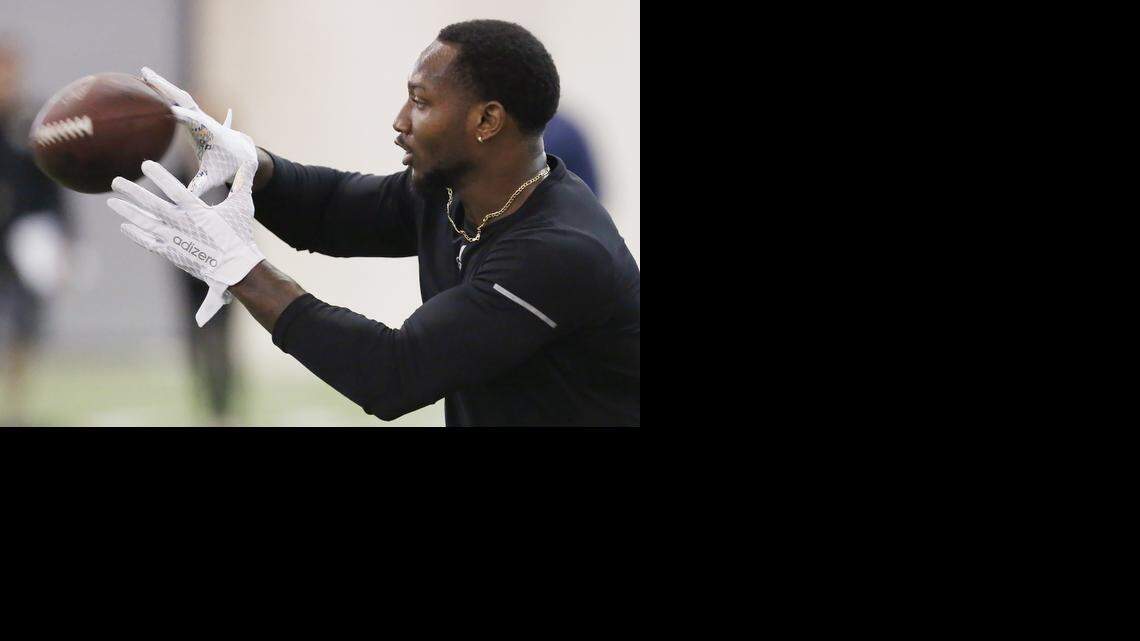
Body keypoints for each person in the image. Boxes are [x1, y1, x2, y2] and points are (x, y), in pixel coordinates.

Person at [105, 20, 640, 427]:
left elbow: (394, 374)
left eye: (420, 101)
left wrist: (241, 269)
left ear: (486, 120)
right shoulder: (453, 194)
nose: (400, 121)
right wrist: (249, 163)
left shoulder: (557, 250)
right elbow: (334, 209)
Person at [0, 40, 73, 426]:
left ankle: (16, 405)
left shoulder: (33, 122)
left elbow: (53, 184)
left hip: (26, 239)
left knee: (23, 327)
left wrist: (62, 240)